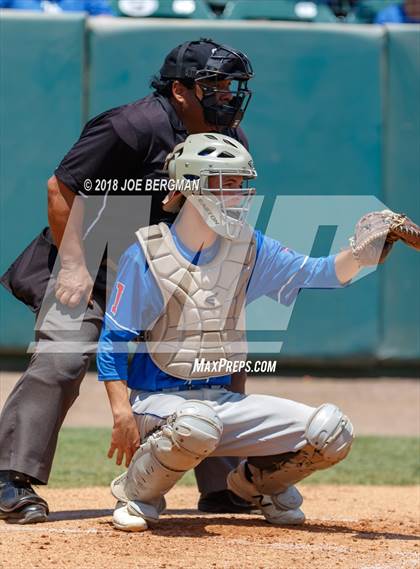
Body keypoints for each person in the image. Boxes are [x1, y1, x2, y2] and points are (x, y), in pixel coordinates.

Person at [0, 39, 254, 524]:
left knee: (213, 354)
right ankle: (8, 477)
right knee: (64, 356)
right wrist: (72, 262)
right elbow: (61, 187)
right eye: (213, 85)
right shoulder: (132, 126)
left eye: (230, 85)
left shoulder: (231, 138)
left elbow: (222, 213)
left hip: (164, 278)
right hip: (93, 269)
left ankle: (225, 485)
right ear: (179, 90)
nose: (226, 95)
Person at [96, 133, 364, 532]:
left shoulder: (249, 246)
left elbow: (318, 272)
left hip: (220, 402)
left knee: (332, 431)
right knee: (196, 423)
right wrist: (121, 412)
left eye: (241, 183)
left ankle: (252, 486)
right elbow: (113, 340)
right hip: (157, 403)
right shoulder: (148, 254)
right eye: (228, 183)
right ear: (193, 185)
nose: (239, 194)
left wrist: (366, 252)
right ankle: (138, 493)